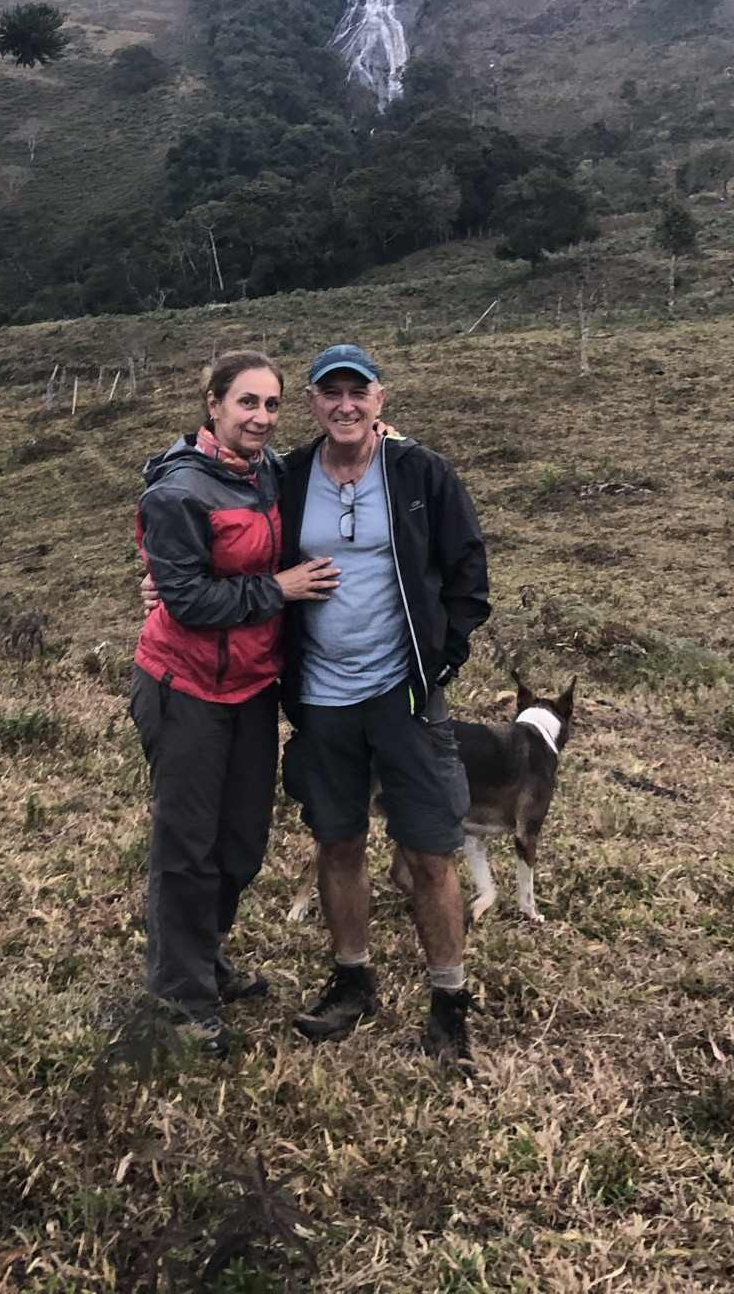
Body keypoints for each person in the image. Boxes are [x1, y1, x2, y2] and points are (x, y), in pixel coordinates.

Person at [277, 343, 490, 1069]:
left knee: (431, 851)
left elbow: (469, 570)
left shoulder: (421, 473)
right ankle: (352, 979)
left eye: (357, 392)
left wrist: (442, 657)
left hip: (403, 695)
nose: (344, 404)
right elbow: (231, 543)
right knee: (337, 843)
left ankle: (449, 1000)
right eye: (329, 392)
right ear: (311, 404)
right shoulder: (289, 478)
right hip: (320, 698)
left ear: (380, 400)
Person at [131, 350, 339, 1055]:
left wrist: (383, 432)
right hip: (184, 684)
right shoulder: (178, 491)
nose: (261, 417)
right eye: (247, 402)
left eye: (272, 405)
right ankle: (179, 995)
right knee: (187, 845)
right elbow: (187, 600)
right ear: (214, 405)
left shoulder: (270, 474)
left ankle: (206, 955)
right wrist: (278, 590)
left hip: (251, 684)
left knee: (242, 840)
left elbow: (335, 455)